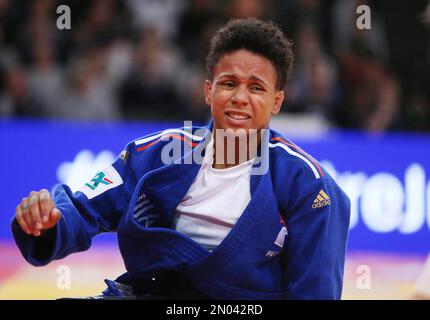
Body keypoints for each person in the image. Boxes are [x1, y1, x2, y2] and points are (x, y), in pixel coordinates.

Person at [11, 18, 351, 300]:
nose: (240, 98)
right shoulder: (156, 153)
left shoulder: (309, 186)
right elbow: (82, 207)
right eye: (229, 83)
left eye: (256, 88)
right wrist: (48, 222)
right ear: (208, 91)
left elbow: (315, 292)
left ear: (277, 101)